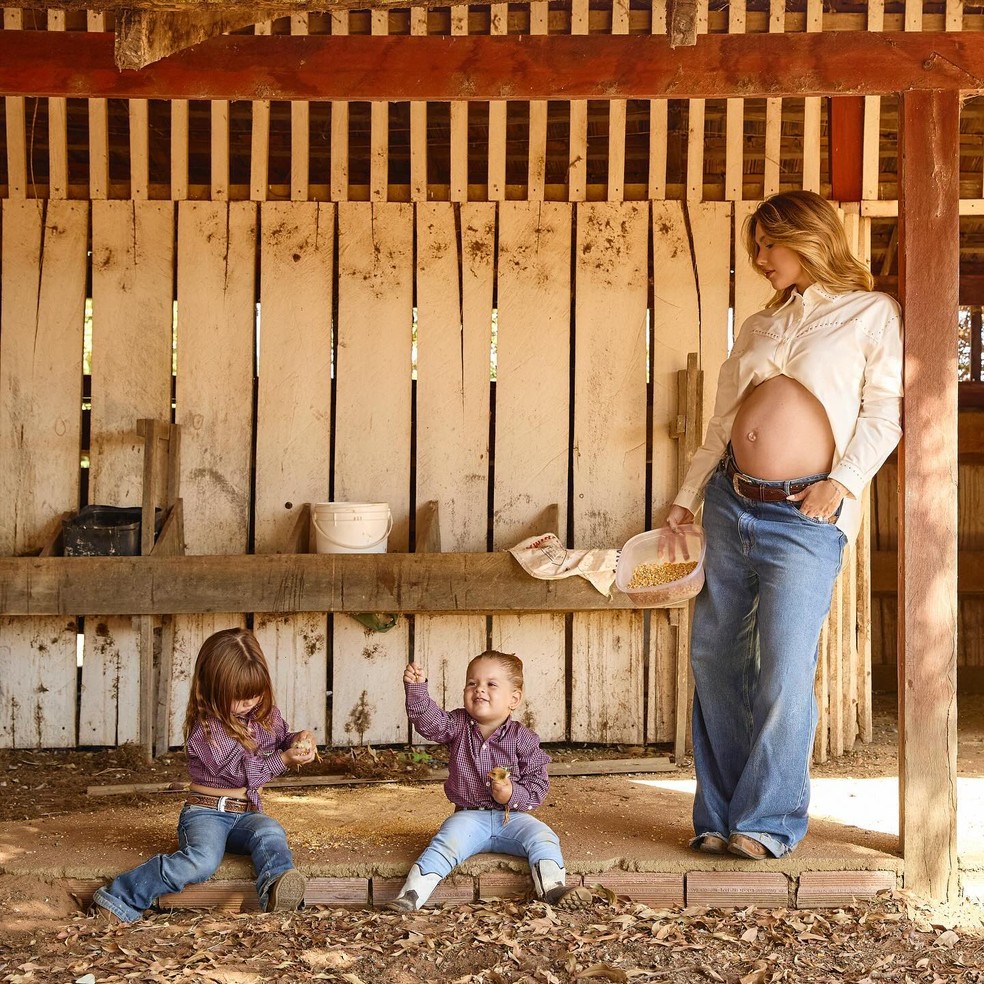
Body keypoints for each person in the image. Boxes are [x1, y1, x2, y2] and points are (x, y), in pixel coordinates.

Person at [663, 190, 903, 860]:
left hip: (804, 515)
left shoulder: (870, 313)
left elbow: (883, 413)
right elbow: (721, 425)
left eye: (769, 244)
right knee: (715, 660)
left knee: (784, 670)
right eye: (757, 247)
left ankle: (767, 822)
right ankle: (720, 816)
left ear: (809, 237)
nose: (760, 259)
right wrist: (686, 496)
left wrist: (842, 482)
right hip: (729, 501)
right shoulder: (760, 326)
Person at [90, 628, 317, 923]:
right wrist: (284, 760)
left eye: (255, 693)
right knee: (201, 862)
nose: (250, 703)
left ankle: (278, 888)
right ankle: (120, 896)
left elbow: (280, 739)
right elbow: (240, 775)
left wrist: (298, 741)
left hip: (246, 813)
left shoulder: (264, 713)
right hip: (206, 813)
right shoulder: (207, 729)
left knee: (269, 832)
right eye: (240, 697)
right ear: (212, 688)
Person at [385, 650, 592, 912]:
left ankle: (552, 888)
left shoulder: (523, 739)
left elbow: (538, 785)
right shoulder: (457, 724)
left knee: (543, 836)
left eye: (491, 684)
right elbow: (429, 723)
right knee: (445, 843)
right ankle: (411, 895)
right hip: (469, 817)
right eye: (472, 683)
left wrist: (512, 793)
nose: (479, 689)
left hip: (512, 817)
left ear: (514, 699)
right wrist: (416, 689)